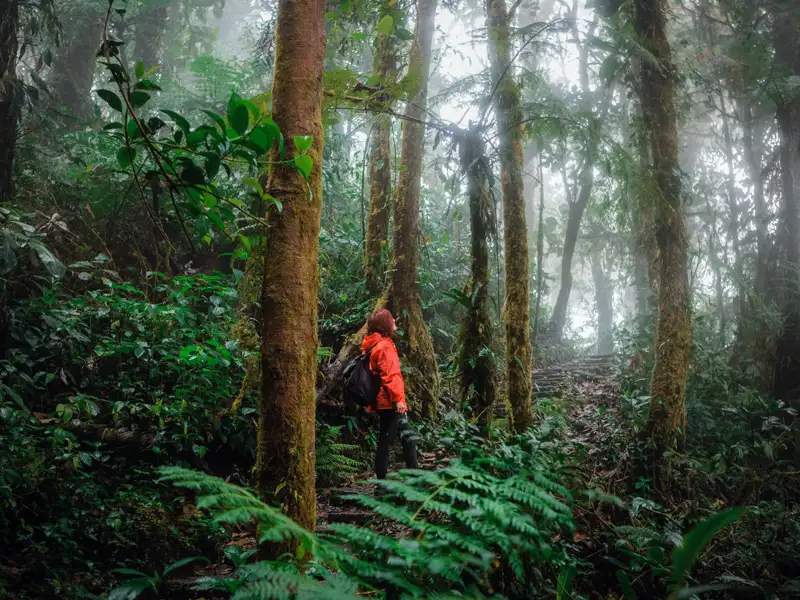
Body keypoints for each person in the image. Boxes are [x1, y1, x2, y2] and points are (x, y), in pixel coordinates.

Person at [361, 308, 420, 479]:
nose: (395, 322)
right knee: (386, 441)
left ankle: (414, 473)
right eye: (392, 320)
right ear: (385, 324)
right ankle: (382, 484)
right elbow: (391, 375)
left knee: (406, 436)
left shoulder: (371, 344)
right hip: (389, 401)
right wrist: (398, 399)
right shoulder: (385, 345)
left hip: (381, 400)